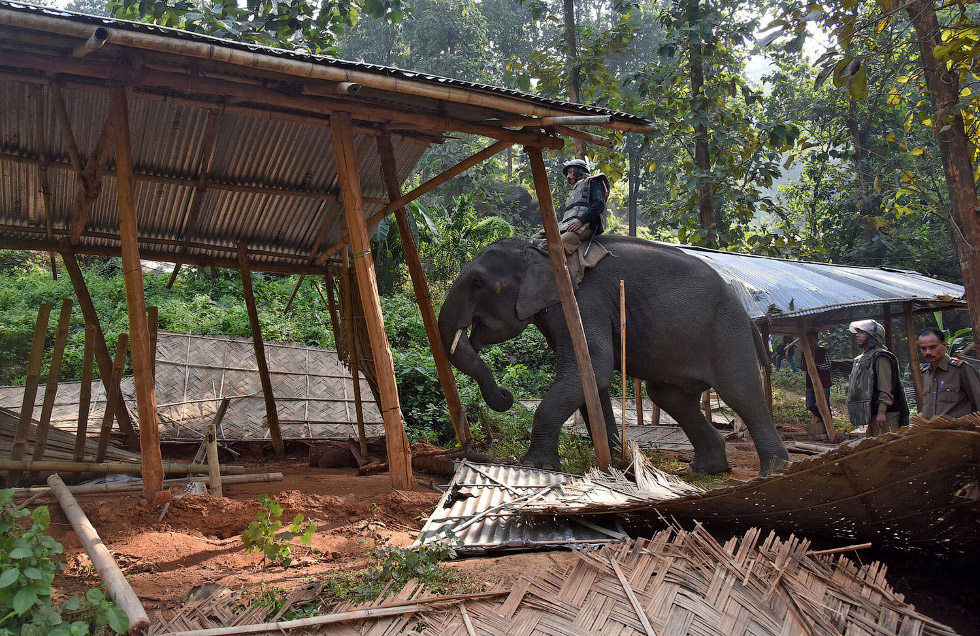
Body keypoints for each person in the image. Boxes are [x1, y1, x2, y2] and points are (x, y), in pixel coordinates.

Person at [531, 158, 610, 282]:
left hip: (585, 225)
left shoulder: (594, 182)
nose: (568, 176)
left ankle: (555, 276)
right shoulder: (575, 190)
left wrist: (581, 220)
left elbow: (599, 204)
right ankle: (538, 247)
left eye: (571, 172)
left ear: (580, 171)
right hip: (566, 224)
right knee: (534, 237)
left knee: (558, 245)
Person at [846, 319, 910, 436]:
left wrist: (882, 411)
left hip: (886, 414)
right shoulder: (861, 358)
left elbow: (885, 385)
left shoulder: (881, 357)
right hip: (872, 413)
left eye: (862, 333)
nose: (858, 335)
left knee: (888, 447)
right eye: (857, 332)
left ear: (872, 336)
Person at [917, 327, 980, 418]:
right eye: (923, 348)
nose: (928, 352)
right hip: (931, 430)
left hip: (958, 430)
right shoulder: (925, 373)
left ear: (945, 345)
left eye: (933, 347)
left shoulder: (961, 370)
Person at [802, 330, 833, 429]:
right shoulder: (805, 353)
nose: (810, 341)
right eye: (809, 339)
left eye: (812, 339)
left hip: (823, 382)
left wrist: (816, 366)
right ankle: (825, 419)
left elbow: (828, 365)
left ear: (816, 339)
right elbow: (802, 366)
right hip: (810, 383)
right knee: (810, 404)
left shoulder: (824, 352)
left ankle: (828, 423)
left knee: (825, 403)